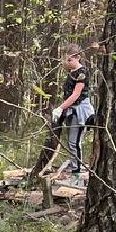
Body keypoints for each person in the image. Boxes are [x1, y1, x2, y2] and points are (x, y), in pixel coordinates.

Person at [49, 44, 94, 176]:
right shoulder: (71, 73)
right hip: (70, 110)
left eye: (69, 60)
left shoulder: (82, 72)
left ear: (77, 57)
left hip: (80, 110)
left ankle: (77, 170)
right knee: (70, 141)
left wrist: (60, 108)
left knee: (74, 142)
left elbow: (75, 95)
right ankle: (74, 164)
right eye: (65, 60)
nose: (67, 62)